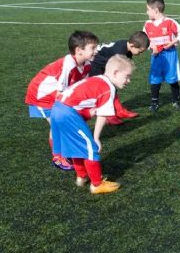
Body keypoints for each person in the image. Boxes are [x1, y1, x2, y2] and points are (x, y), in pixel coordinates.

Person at [50, 54, 133, 194]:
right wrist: (96, 137)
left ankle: (81, 177)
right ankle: (97, 184)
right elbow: (103, 115)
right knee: (90, 148)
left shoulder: (97, 79)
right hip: (68, 113)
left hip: (57, 108)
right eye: (127, 76)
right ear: (116, 73)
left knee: (75, 146)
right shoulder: (108, 87)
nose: (129, 81)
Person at [24, 30, 99, 171]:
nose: (96, 51)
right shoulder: (69, 65)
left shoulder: (87, 63)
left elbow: (81, 86)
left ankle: (64, 151)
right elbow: (61, 94)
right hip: (42, 97)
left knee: (62, 121)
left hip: (54, 95)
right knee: (58, 123)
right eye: (93, 48)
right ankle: (58, 157)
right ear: (78, 50)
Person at [89, 31, 149, 125]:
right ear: (132, 45)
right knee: (105, 89)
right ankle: (109, 115)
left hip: (106, 62)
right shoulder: (120, 51)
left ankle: (119, 111)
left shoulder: (128, 50)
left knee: (112, 87)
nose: (140, 54)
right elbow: (115, 66)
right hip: (96, 63)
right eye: (140, 51)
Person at [143, 0, 180, 113]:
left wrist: (172, 42)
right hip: (156, 56)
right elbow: (144, 39)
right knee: (155, 79)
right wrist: (151, 47)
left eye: (148, 9)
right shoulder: (147, 24)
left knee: (172, 78)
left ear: (156, 10)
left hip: (170, 55)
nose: (146, 12)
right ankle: (154, 102)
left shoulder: (169, 22)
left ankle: (176, 101)